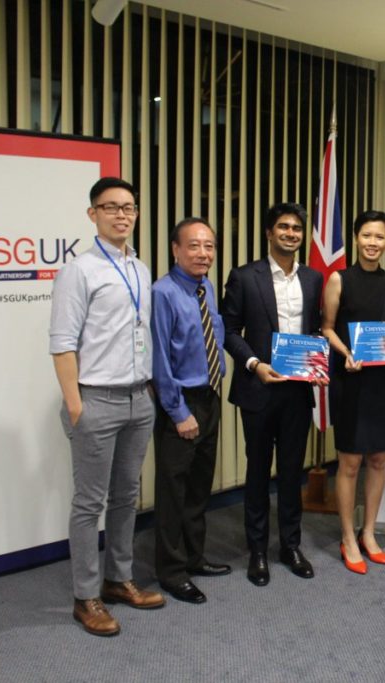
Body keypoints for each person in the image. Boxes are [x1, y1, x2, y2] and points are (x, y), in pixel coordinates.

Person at [49, 177, 164, 637]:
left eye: (129, 207)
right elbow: (61, 344)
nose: (122, 214)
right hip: (96, 400)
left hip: (139, 399)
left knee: (125, 498)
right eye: (111, 206)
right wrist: (76, 406)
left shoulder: (140, 268)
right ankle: (86, 596)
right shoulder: (79, 271)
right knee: (88, 502)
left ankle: (118, 580)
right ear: (92, 213)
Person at [221, 202, 325, 586]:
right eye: (283, 227)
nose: (291, 234)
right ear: (269, 233)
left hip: (298, 391)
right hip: (258, 388)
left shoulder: (314, 279)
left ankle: (291, 546)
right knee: (257, 472)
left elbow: (316, 330)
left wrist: (317, 361)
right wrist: (253, 365)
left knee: (292, 471)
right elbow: (229, 331)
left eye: (297, 228)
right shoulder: (244, 276)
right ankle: (258, 551)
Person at [322, 210, 385, 574]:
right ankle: (346, 536)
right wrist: (347, 354)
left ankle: (369, 532)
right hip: (350, 379)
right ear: (356, 238)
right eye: (367, 236)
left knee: (378, 459)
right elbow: (326, 327)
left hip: (382, 381)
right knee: (350, 462)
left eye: (380, 237)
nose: (373, 243)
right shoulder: (338, 279)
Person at [150, 217, 231, 604]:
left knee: (199, 486)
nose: (203, 253)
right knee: (173, 491)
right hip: (179, 402)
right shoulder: (163, 293)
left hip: (209, 395)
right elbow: (160, 361)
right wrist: (178, 412)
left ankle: (194, 557)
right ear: (176, 249)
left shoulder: (206, 288)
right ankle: (171, 570)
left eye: (209, 246)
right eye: (195, 246)